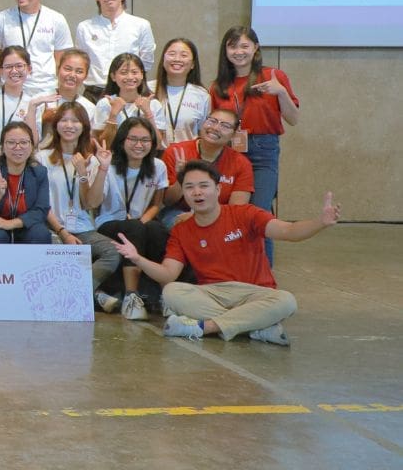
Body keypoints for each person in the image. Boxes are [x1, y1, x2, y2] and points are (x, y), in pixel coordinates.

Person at [117, 162, 341, 344]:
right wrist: (137, 259)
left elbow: (289, 231)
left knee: (286, 301)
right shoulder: (181, 230)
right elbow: (168, 275)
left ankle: (207, 327)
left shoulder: (245, 214)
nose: (197, 192)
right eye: (189, 187)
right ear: (183, 193)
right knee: (172, 292)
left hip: (255, 292)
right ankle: (256, 326)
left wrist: (319, 222)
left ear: (218, 189)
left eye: (204, 186)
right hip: (213, 293)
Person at [210, 26, 299, 262]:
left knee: (259, 213)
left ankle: (263, 276)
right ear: (225, 50)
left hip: (263, 152)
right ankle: (237, 270)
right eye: (232, 46)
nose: (238, 51)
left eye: (244, 46)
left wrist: (281, 93)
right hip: (229, 153)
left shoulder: (273, 76)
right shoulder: (218, 86)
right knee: (231, 213)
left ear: (256, 48)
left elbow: (294, 119)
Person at [37, 103, 121, 310]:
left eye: (75, 121)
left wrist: (97, 170)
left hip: (83, 229)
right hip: (52, 228)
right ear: (55, 125)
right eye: (64, 120)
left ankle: (77, 292)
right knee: (57, 251)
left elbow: (91, 203)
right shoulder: (42, 159)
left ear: (84, 126)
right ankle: (93, 294)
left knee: (113, 252)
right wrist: (62, 232)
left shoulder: (92, 161)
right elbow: (41, 203)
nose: (69, 125)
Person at [95, 117, 170, 321]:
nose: (139, 145)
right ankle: (131, 296)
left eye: (145, 140)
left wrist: (143, 221)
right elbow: (94, 203)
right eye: (133, 139)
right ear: (122, 141)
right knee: (135, 229)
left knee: (158, 230)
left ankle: (166, 295)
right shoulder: (108, 165)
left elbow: (157, 204)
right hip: (108, 222)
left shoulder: (158, 166)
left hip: (140, 221)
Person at [0, 0, 73, 97]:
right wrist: (6, 82)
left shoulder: (56, 19)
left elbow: (61, 59)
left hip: (46, 89)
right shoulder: (1, 19)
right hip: (12, 89)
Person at [75, 0, 156, 101]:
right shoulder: (84, 27)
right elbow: (81, 63)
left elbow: (145, 62)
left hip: (128, 92)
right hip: (94, 93)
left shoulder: (141, 25)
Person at [0, 122, 53, 244]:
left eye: (24, 143)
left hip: (24, 224)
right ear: (2, 146)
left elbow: (41, 210)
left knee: (40, 234)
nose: (18, 147)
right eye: (11, 142)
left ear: (31, 146)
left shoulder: (39, 172)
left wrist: (10, 223)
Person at [162, 108, 254, 218]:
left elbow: (237, 210)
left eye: (225, 126)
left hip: (221, 217)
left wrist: (203, 219)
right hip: (179, 213)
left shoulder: (241, 163)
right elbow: (167, 201)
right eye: (212, 121)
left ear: (233, 135)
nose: (215, 128)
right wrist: (181, 179)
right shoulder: (176, 152)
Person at [93, 52, 170, 144]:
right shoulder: (105, 103)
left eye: (134, 72)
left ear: (141, 75)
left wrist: (148, 113)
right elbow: (103, 144)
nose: (130, 77)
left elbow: (158, 144)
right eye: (124, 73)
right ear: (113, 76)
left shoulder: (153, 104)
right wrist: (113, 115)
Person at [25, 49, 98, 142]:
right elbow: (29, 140)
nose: (72, 75)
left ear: (86, 76)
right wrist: (43, 120)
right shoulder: (40, 100)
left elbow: (88, 142)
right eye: (67, 69)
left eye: (79, 71)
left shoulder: (89, 107)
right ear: (58, 69)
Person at [154, 37, 211, 144]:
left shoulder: (202, 95)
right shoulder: (148, 90)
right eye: (172, 54)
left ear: (193, 64)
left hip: (188, 156)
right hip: (153, 157)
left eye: (184, 55)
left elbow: (203, 133)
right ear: (163, 60)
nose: (177, 59)